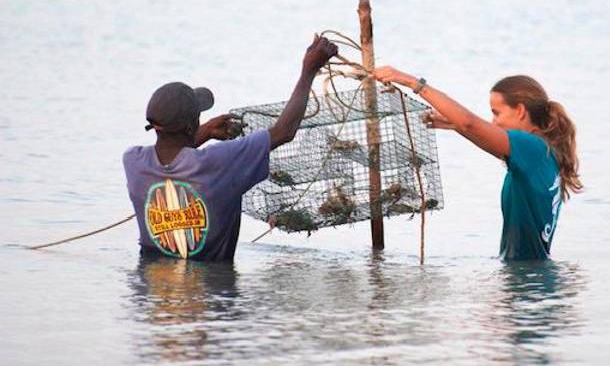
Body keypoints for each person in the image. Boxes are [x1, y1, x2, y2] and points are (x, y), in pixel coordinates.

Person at [123, 36, 338, 261]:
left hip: (151, 286)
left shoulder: (133, 162)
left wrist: (204, 131)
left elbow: (172, 156)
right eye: (198, 117)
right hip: (214, 290)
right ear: (189, 127)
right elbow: (283, 132)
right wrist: (308, 71)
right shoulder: (219, 162)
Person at [372, 67, 582, 260]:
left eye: (496, 112)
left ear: (520, 110)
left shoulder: (531, 148)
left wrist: (411, 82)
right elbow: (476, 131)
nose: (494, 122)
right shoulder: (541, 152)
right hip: (533, 275)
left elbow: (471, 123)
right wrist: (456, 126)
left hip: (526, 277)